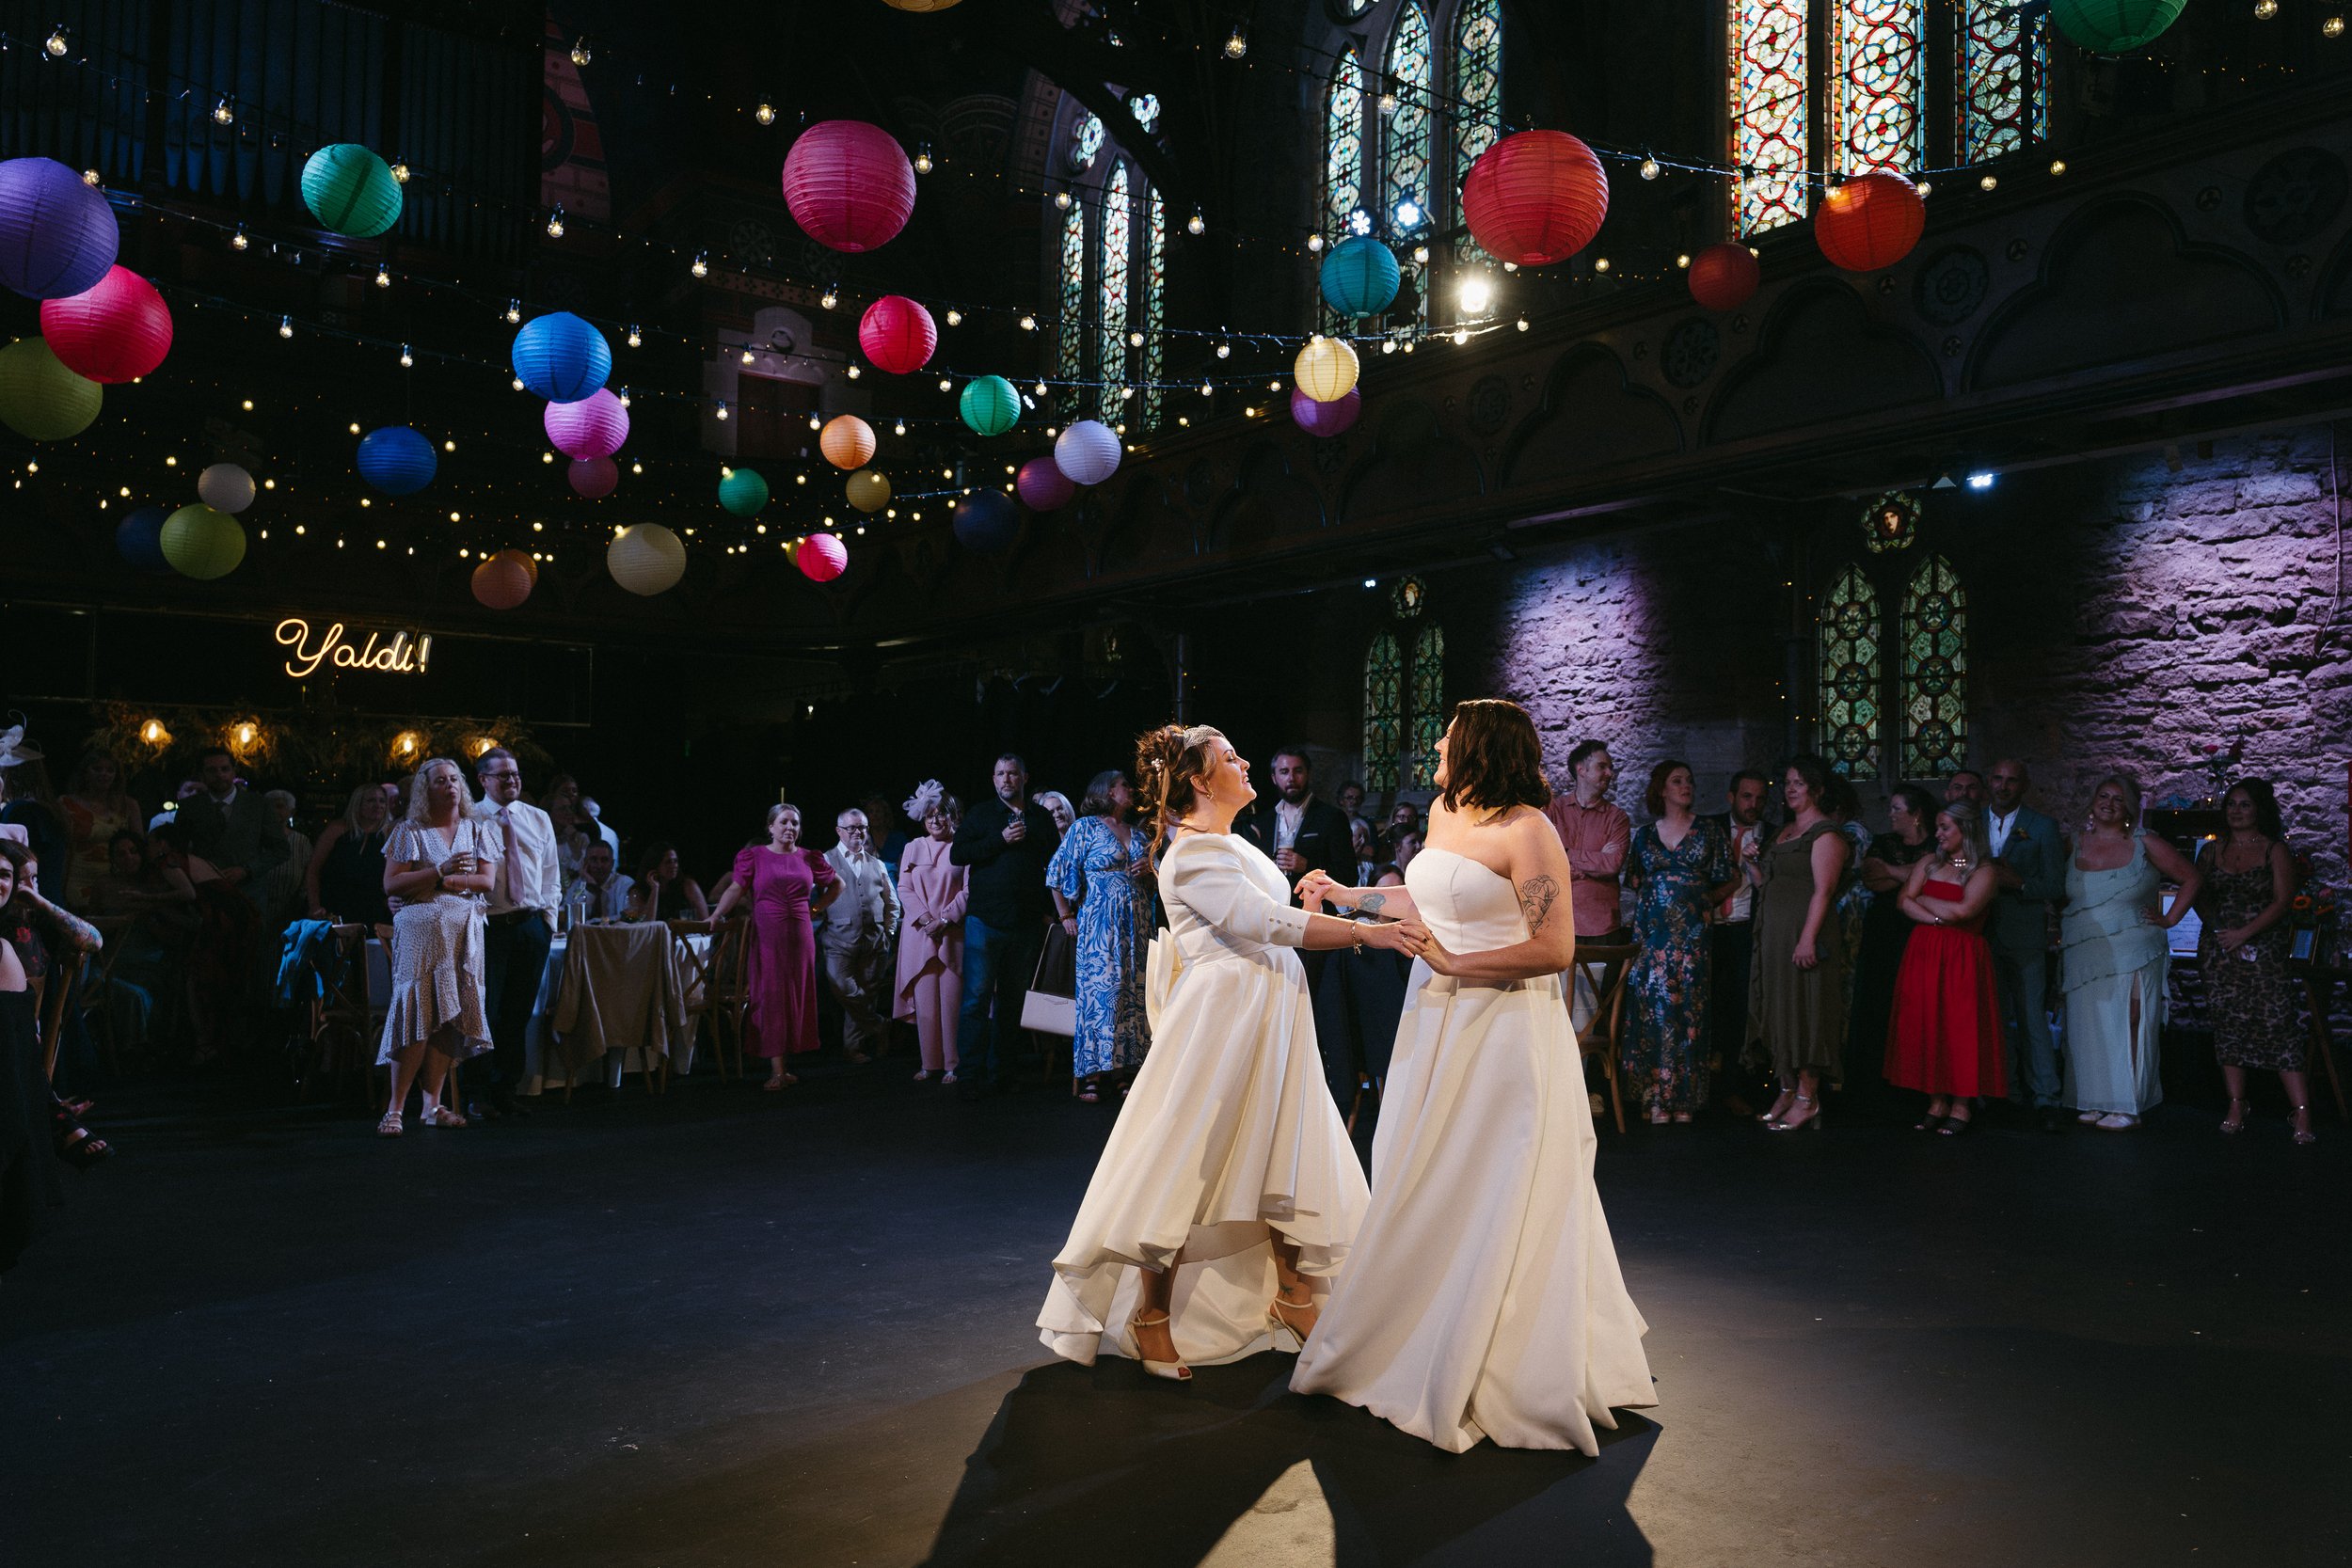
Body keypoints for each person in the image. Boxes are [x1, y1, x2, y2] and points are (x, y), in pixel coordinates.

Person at [1291, 699, 1653, 1452]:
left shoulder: (1531, 830)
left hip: (1504, 1027)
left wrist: (1459, 963)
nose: (1436, 751)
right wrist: (1349, 896)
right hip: (1435, 1021)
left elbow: (1555, 948)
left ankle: (1497, 1354)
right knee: (1424, 1171)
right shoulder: (1446, 814)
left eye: (1448, 741)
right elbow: (1426, 898)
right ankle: (1419, 1326)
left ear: (1483, 747)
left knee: (1494, 1179)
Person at [1037, 725, 1424, 1383]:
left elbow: (1272, 908)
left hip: (1270, 1011)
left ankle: (1294, 1289)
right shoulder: (1188, 853)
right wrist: (1370, 933)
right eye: (1230, 757)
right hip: (1222, 1018)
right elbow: (1262, 924)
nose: (1245, 763)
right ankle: (1150, 1312)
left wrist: (1314, 892)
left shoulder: (1229, 843)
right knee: (1192, 1155)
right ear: (1198, 780)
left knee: (1281, 1144)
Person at [2061, 775, 2201, 1130]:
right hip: (2085, 946)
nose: (2109, 803)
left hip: (2134, 944)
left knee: (2130, 1020)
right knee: (2089, 1023)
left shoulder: (2145, 843)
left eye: (2118, 799)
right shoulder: (2075, 842)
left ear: (2131, 809)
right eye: (2103, 795)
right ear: (2092, 800)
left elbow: (2192, 877)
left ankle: (2128, 1103)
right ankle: (2094, 1098)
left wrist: (2169, 919)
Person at [374, 760, 501, 1136]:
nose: (450, 786)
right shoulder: (409, 831)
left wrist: (447, 882)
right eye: (441, 781)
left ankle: (432, 1106)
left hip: (463, 933)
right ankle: (395, 1109)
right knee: (416, 1014)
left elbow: (486, 881)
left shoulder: (478, 829)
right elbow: (392, 884)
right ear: (425, 789)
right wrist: (439, 872)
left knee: (449, 1016)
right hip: (421, 935)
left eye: (454, 780)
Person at [0, 840, 105, 1275]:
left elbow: (90, 940)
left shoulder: (25, 927)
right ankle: (53, 1118)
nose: (8, 885)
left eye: (8, 875)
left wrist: (30, 894)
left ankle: (51, 1117)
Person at [1882, 801, 2007, 1134]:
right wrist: (1937, 916)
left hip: (1962, 956)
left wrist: (1925, 903)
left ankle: (1962, 1104)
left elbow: (1963, 911)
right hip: (1924, 952)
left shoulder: (1984, 871)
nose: (1937, 834)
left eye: (1945, 827)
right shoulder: (1928, 863)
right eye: (1938, 827)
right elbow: (1902, 901)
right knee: (1928, 1023)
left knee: (1959, 1028)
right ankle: (1936, 1101)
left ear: (1966, 830)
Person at [1622, 761, 1735, 1124]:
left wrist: (1701, 902)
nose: (1686, 786)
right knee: (1653, 1011)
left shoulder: (1709, 831)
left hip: (1692, 937)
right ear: (1661, 789)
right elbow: (1635, 882)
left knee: (1689, 1012)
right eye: (1677, 781)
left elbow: (1730, 878)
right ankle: (1654, 1097)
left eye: (1689, 780)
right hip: (1653, 939)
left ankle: (1684, 1099)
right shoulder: (1644, 836)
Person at [2198, 781, 2310, 1144]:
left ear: (2259, 809)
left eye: (2245, 805)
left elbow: (2283, 900)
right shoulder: (2211, 852)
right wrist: (2219, 931)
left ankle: (2302, 1111)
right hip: (2220, 950)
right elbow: (2197, 895)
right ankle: (2236, 1103)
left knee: (2278, 1025)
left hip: (2263, 950)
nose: (2236, 811)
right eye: (2231, 804)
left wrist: (2244, 933)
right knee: (2227, 1024)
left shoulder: (2275, 850)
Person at [1747, 754, 1853, 1132]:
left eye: (1798, 784)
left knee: (1807, 1010)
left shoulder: (1826, 834)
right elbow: (1768, 885)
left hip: (1806, 935)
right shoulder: (1782, 833)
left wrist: (1807, 939)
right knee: (1778, 1009)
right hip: (1775, 934)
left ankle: (1809, 1096)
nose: (1790, 790)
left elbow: (1823, 892)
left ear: (1818, 790)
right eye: (1787, 783)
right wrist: (1752, 865)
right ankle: (1787, 1088)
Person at [949, 755, 1060, 1100]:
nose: (1006, 779)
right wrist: (1000, 839)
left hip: (1024, 922)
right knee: (976, 1000)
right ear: (993, 779)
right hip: (985, 920)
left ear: (1024, 777)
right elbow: (958, 855)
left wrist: (1047, 910)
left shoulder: (1040, 817)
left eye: (1012, 773)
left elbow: (1054, 862)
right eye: (999, 773)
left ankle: (1003, 1073)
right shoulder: (982, 815)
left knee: (1013, 1002)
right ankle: (969, 1073)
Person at [712, 804, 840, 1089]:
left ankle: (786, 1065)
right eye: (783, 822)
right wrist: (716, 914)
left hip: (800, 933)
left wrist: (816, 908)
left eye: (795, 823)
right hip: (768, 933)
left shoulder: (809, 857)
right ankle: (777, 1069)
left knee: (795, 993)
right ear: (770, 827)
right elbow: (735, 888)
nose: (790, 828)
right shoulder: (755, 856)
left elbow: (837, 885)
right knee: (771, 995)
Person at [1046, 770, 1153, 1102]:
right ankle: (1092, 1071)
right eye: (1124, 786)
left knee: (1130, 994)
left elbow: (1153, 887)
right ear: (1106, 791)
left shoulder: (1138, 833)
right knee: (1100, 996)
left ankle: (1122, 1070)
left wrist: (1149, 870)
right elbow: (1056, 872)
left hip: (1135, 924)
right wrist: (1065, 915)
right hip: (1100, 924)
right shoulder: (1085, 828)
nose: (1130, 790)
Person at [471, 749, 561, 1119]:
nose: (512, 781)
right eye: (503, 775)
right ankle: (477, 1095)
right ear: (484, 780)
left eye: (515, 775)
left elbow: (551, 874)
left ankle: (506, 1089)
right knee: (485, 1014)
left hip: (529, 925)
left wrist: (547, 922)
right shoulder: (470, 819)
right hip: (490, 926)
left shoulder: (537, 818)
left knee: (517, 1014)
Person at [1983, 758, 2071, 1133]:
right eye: (1998, 779)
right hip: (1981, 931)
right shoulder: (1972, 823)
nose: (2003, 787)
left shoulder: (2042, 826)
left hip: (2025, 934)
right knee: (1995, 1018)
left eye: (2011, 781)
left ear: (2024, 785)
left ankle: (2046, 1098)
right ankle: (2004, 1092)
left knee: (2033, 1018)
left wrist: (2018, 883)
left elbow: (2056, 885)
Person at [147, 821, 259, 1064]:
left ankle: (205, 1045)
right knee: (220, 978)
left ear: (163, 844)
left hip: (223, 922)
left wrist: (150, 899)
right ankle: (218, 1042)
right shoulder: (192, 859)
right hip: (234, 919)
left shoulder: (169, 862)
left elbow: (189, 893)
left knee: (200, 977)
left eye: (151, 842)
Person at [1849, 784, 1939, 1078]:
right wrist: (1916, 874)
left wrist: (1896, 872)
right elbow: (1873, 878)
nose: (1891, 814)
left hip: (1917, 927)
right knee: (1879, 999)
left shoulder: (1936, 846)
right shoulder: (1884, 842)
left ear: (1916, 815)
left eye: (1897, 809)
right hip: (1883, 930)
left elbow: (1935, 878)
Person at [1703, 770, 1772, 1115]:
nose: (1753, 805)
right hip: (1709, 928)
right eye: (1747, 797)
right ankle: (1701, 1087)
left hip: (1747, 928)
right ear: (1731, 797)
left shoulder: (1773, 835)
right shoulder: (1707, 828)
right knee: (1705, 1007)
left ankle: (1732, 1085)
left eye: (1760, 798)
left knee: (1739, 1011)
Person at [894, 784, 967, 1084]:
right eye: (930, 816)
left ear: (953, 816)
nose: (936, 821)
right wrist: (926, 920)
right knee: (926, 1000)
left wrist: (945, 919)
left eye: (941, 814)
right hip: (920, 933)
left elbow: (968, 889)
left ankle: (953, 1063)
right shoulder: (913, 847)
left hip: (951, 933)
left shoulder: (962, 846)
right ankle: (929, 1063)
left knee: (952, 1001)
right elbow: (903, 887)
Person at [818, 807, 899, 1065]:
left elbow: (893, 903)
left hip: (874, 940)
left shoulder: (876, 864)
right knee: (843, 986)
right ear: (839, 831)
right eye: (852, 828)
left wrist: (887, 932)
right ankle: (879, 1025)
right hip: (838, 939)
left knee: (868, 990)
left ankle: (852, 1048)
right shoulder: (826, 860)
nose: (858, 833)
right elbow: (812, 898)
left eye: (862, 827)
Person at [176, 746, 289, 915]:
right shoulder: (190, 807)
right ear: (202, 775)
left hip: (249, 894)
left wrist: (247, 870)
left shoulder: (258, 805)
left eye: (225, 769)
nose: (220, 775)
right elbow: (178, 849)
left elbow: (280, 850)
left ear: (234, 772)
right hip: (206, 895)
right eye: (212, 770)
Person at [1542, 739, 1631, 943]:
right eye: (1602, 767)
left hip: (1601, 925)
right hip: (1558, 923)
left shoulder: (1617, 818)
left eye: (1610, 768)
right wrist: (1594, 861)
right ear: (1581, 769)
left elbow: (1612, 865)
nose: (1609, 773)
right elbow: (1542, 862)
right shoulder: (1552, 811)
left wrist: (1565, 854)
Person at [1236, 747, 1356, 894]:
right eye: (1284, 772)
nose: (1291, 778)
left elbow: (1349, 876)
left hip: (1315, 910)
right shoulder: (1263, 821)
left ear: (1308, 774)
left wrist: (1308, 866)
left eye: (1298, 771)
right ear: (1274, 778)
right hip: (1273, 910)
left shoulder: (1331, 817)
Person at [57, 748, 142, 911]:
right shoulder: (67, 804)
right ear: (85, 772)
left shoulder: (128, 805)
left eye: (110, 770)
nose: (104, 774)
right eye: (97, 769)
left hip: (119, 881)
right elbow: (64, 849)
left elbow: (139, 847)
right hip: (79, 880)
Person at [304, 785, 394, 927]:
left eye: (382, 801)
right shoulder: (337, 830)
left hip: (372, 910)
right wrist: (314, 905)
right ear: (358, 804)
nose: (378, 806)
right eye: (371, 800)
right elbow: (313, 870)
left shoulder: (389, 835)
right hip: (335, 906)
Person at [0, 725, 67, 903]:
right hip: (51, 899)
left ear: (9, 775)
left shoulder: (19, 811)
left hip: (29, 903)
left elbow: (11, 861)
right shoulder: (51, 809)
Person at [623, 841, 712, 923]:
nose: (674, 866)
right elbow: (647, 925)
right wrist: (655, 889)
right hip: (655, 939)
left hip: (687, 938)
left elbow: (705, 921)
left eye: (675, 861)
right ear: (655, 864)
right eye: (668, 862)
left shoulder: (688, 885)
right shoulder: (638, 892)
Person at [574, 840, 634, 924]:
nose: (599, 865)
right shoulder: (578, 884)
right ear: (585, 862)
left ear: (612, 863)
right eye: (594, 859)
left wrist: (592, 923)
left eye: (604, 860)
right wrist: (592, 888)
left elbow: (625, 916)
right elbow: (572, 917)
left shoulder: (624, 883)